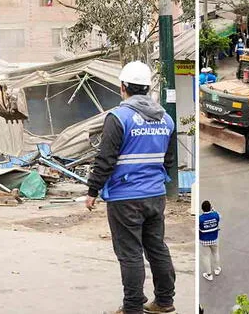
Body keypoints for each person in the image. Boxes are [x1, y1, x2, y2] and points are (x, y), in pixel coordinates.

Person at [86, 61, 177, 314]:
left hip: (124, 198)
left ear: (123, 87)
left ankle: (133, 308)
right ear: (148, 88)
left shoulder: (119, 117)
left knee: (130, 254)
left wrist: (93, 191)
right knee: (157, 247)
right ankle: (164, 302)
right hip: (155, 195)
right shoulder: (166, 119)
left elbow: (105, 159)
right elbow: (168, 161)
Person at [199, 200, 222, 281]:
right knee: (215, 253)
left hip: (204, 240)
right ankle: (217, 269)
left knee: (206, 257)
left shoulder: (200, 219)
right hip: (214, 238)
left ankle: (209, 274)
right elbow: (220, 216)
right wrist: (213, 210)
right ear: (210, 207)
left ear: (202, 209)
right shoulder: (216, 215)